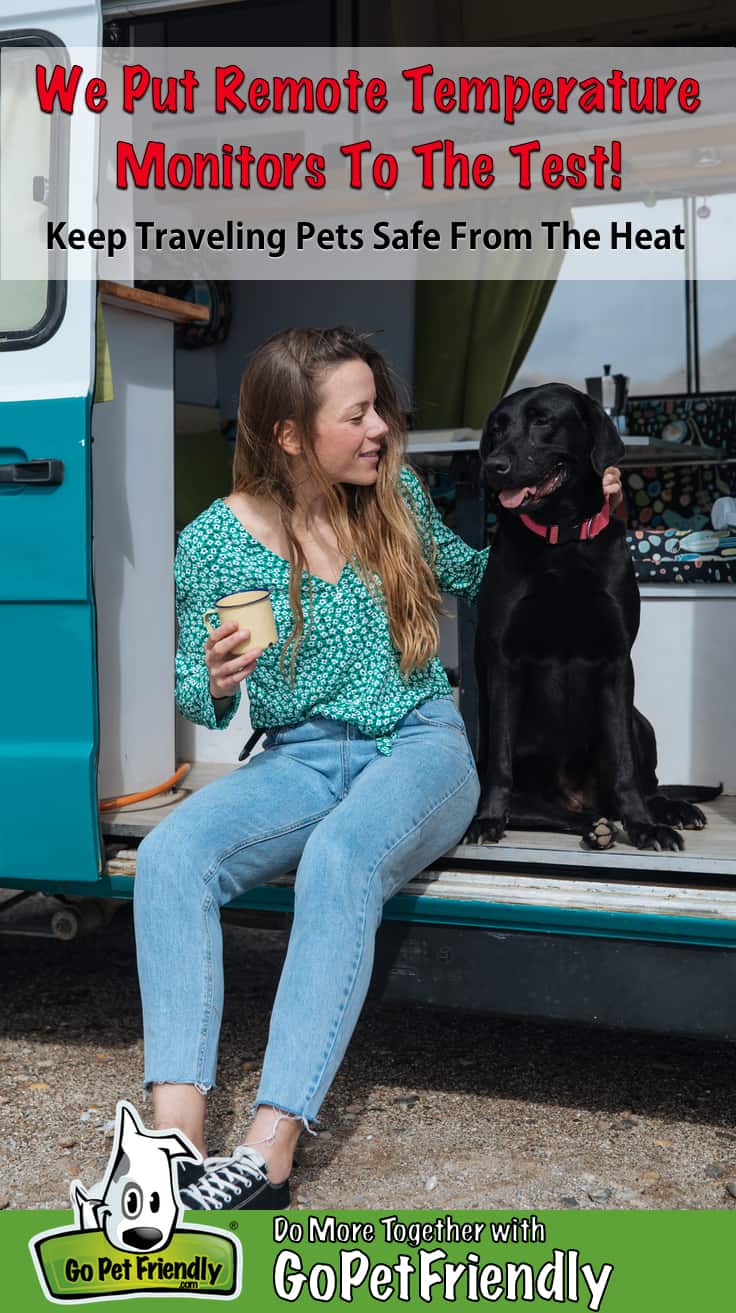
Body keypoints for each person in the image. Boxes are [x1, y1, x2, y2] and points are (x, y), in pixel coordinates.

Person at [133, 326, 622, 1211]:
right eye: (357, 415)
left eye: (379, 412)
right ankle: (174, 1139)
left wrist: (576, 506)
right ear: (290, 435)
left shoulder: (390, 497)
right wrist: (207, 679)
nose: (380, 432)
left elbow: (476, 571)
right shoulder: (219, 541)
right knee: (171, 857)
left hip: (420, 743)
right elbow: (202, 699)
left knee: (340, 858)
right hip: (300, 755)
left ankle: (270, 1148)